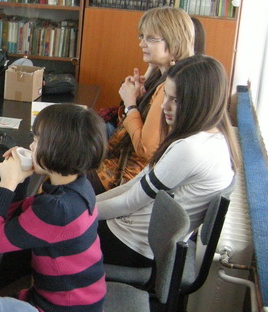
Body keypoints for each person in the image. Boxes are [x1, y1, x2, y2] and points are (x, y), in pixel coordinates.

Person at [97, 55, 237, 269]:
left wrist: (78, 213)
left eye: (175, 100)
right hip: (143, 241)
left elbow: (129, 202)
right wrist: (85, 205)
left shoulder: (190, 149)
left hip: (133, 246)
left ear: (200, 102)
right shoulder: (216, 137)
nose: (164, 106)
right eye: (166, 96)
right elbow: (133, 186)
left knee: (49, 234)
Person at [0, 104, 107, 312]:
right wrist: (22, 179)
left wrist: (6, 184)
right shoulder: (78, 187)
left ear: (57, 149)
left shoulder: (57, 209)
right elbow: (18, 219)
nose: (31, 146)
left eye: (37, 140)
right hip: (76, 307)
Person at [92, 6, 195, 193]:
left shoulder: (169, 87)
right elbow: (126, 127)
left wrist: (131, 105)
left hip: (125, 175)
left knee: (57, 174)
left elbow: (145, 149)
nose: (141, 44)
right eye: (142, 37)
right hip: (119, 163)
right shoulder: (161, 76)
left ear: (174, 41)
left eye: (150, 38)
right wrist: (136, 100)